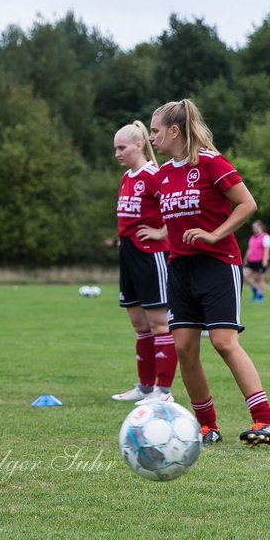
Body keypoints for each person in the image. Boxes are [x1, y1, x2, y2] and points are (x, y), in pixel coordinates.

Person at [144, 98, 270, 446]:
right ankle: (207, 426)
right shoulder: (161, 175)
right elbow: (175, 218)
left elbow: (247, 203)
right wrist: (162, 233)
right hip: (179, 270)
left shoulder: (210, 163)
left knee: (223, 342)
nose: (151, 137)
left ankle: (265, 421)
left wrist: (214, 234)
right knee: (185, 348)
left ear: (175, 130)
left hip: (218, 265)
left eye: (156, 130)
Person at [108, 121, 177, 405]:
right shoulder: (128, 177)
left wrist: (161, 232)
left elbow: (173, 206)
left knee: (160, 324)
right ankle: (145, 387)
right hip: (129, 254)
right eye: (115, 148)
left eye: (121, 147)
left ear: (139, 145)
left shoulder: (154, 175)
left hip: (151, 256)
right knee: (139, 325)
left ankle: (164, 391)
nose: (117, 153)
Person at [243, 220, 270, 302]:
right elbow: (249, 249)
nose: (254, 229)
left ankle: (260, 296)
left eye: (255, 227)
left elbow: (267, 250)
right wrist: (246, 259)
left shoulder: (266, 237)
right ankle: (255, 290)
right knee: (244, 275)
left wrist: (265, 260)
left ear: (260, 227)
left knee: (260, 279)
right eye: (253, 227)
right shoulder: (252, 237)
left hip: (260, 261)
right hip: (251, 261)